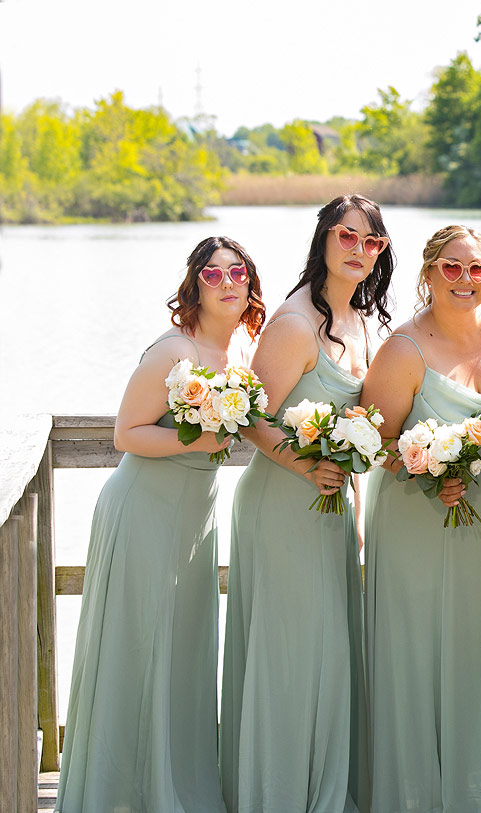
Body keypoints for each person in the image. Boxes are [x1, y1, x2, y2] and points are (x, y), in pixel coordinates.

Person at [57, 236, 265, 812]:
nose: (227, 282)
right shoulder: (173, 350)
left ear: (250, 283)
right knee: (137, 646)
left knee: (183, 651)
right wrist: (200, 435)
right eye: (212, 274)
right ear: (194, 284)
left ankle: (175, 784)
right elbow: (126, 433)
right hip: (143, 510)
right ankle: (123, 794)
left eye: (237, 272)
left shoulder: (241, 351)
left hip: (194, 519)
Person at [220, 194, 393, 812]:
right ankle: (279, 793)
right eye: (348, 236)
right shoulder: (294, 325)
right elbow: (250, 420)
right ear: (323, 239)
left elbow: (364, 429)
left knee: (328, 649)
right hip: (282, 504)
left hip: (331, 508)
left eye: (372, 242)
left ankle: (323, 786)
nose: (359, 251)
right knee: (291, 652)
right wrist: (307, 464)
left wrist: (351, 487)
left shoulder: (362, 324)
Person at [360, 225, 481, 811]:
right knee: (417, 652)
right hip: (414, 516)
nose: (464, 280)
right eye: (451, 269)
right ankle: (414, 795)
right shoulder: (403, 349)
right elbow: (370, 440)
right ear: (428, 274)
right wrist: (422, 464)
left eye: (476, 268)